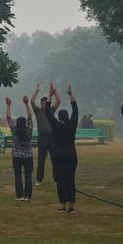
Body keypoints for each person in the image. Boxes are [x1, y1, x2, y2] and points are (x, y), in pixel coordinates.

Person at [44, 84, 78, 213]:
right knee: (70, 180)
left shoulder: (56, 126)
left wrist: (50, 95)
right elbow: (76, 110)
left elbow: (47, 112)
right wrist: (71, 95)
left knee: (60, 181)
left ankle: (63, 205)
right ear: (67, 117)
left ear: (59, 117)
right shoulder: (72, 125)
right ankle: (72, 206)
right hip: (71, 155)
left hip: (58, 156)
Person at [6, 96, 34, 201]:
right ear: (25, 123)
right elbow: (30, 117)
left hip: (16, 156)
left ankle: (20, 195)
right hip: (28, 156)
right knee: (28, 176)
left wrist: (8, 105)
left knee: (18, 176)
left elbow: (8, 118)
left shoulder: (14, 130)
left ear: (17, 123)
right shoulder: (29, 130)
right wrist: (26, 104)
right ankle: (28, 196)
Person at [30, 84, 59, 185]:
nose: (45, 105)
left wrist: (54, 91)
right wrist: (36, 90)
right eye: (43, 103)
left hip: (52, 137)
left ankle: (56, 179)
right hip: (42, 137)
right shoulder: (38, 111)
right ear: (41, 104)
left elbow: (58, 101)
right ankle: (39, 179)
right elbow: (32, 101)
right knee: (41, 159)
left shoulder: (51, 110)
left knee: (54, 158)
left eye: (46, 103)